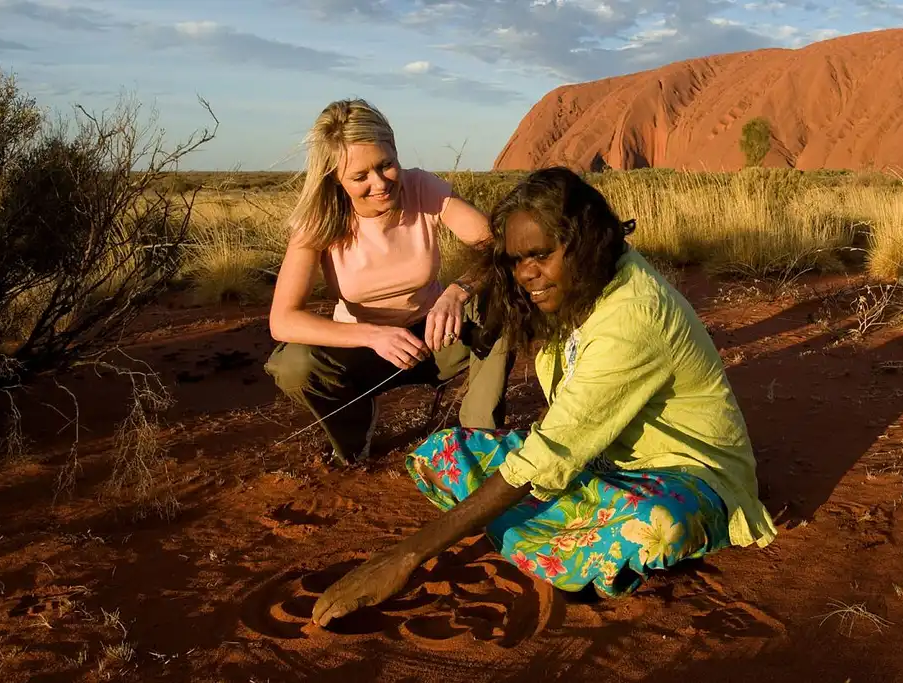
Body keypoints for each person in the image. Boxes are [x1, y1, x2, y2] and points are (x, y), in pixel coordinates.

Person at [311, 166, 778, 625]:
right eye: (516, 260)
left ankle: (540, 530)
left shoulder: (634, 315)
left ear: (584, 243)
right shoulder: (576, 286)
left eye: (540, 255)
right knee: (444, 452)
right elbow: (557, 441)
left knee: (656, 525)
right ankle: (553, 535)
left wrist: (405, 556)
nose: (527, 274)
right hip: (599, 460)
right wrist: (464, 297)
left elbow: (552, 449)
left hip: (682, 471)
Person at [265, 98, 513, 466]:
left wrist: (456, 292)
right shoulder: (319, 219)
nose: (380, 183)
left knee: (503, 299)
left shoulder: (422, 188)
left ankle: (477, 440)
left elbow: (496, 247)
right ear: (335, 176)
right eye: (360, 176)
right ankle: (355, 433)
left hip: (434, 336)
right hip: (363, 352)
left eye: (386, 165)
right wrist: (372, 335)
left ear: (396, 152)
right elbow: (283, 320)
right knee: (294, 364)